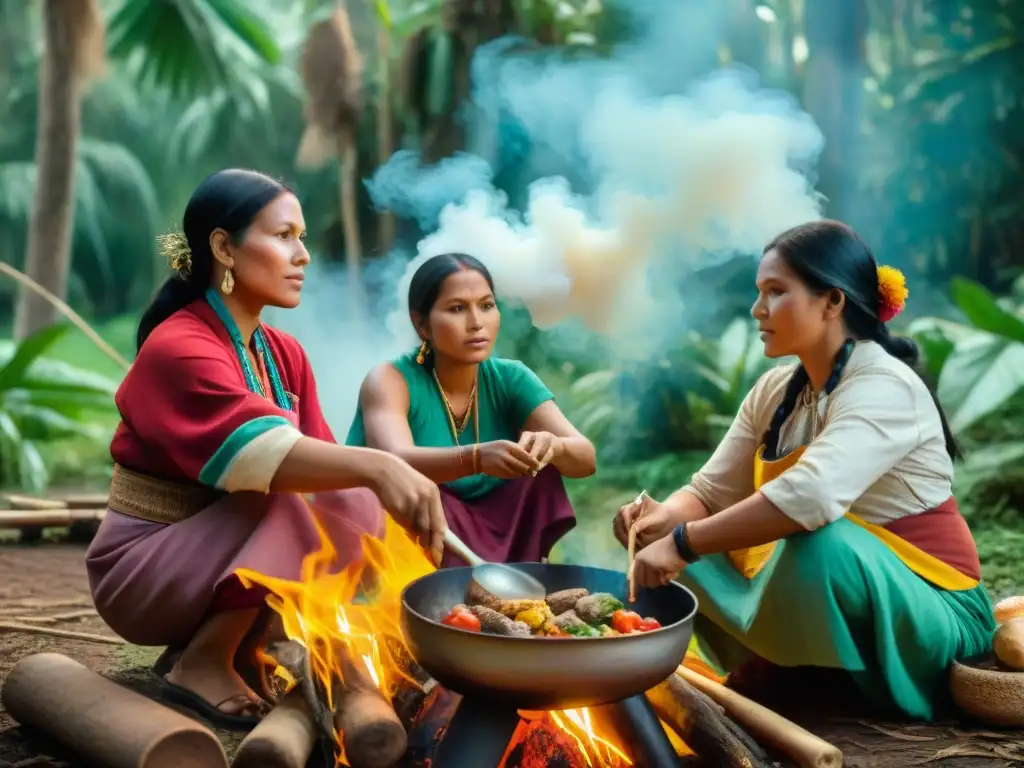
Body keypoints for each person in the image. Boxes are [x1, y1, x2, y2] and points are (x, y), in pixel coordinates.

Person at [86, 169, 447, 731]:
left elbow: (332, 473)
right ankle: (203, 660)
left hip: (214, 558)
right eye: (283, 237)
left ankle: (243, 644)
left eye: (301, 237)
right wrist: (379, 467)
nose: (302, 255)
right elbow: (268, 459)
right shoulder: (179, 347)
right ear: (224, 248)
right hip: (142, 571)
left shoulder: (283, 352)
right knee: (303, 492)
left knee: (347, 496)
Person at [613, 220, 995, 721]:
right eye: (759, 293)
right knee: (662, 536)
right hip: (828, 584)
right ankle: (793, 668)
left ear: (832, 301)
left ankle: (815, 675)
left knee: (815, 540)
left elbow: (809, 499)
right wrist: (658, 521)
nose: (758, 310)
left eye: (776, 292)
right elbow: (710, 491)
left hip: (933, 618)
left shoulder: (885, 385)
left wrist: (683, 543)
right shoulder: (775, 390)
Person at [346, 253, 596, 567]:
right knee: (425, 490)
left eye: (487, 305)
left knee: (541, 464)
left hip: (493, 530)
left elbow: (585, 459)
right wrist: (477, 458)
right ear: (421, 323)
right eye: (457, 309)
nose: (477, 322)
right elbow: (394, 460)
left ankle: (517, 578)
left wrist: (554, 446)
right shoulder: (390, 380)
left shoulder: (511, 378)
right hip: (403, 536)